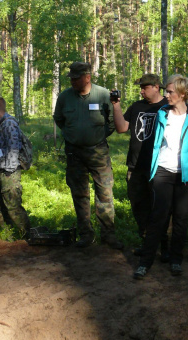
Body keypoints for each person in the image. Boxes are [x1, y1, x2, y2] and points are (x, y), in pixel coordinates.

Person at [133, 74, 188, 279]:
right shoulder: (162, 114)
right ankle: (145, 263)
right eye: (166, 91)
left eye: (170, 92)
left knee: (181, 219)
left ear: (183, 94)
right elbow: (157, 142)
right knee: (158, 217)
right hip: (163, 171)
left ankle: (176, 260)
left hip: (187, 177)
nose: (166, 95)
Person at [53, 62, 123, 249]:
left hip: (98, 151)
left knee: (105, 193)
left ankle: (108, 235)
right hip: (74, 152)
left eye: (76, 78)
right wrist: (73, 134)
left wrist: (98, 136)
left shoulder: (102, 95)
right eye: (71, 79)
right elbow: (59, 119)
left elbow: (111, 121)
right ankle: (86, 235)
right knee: (79, 193)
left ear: (87, 77)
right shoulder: (65, 97)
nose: (73, 82)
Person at [113, 74, 170, 259]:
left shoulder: (168, 106)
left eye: (144, 87)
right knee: (139, 206)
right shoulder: (137, 106)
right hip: (136, 166)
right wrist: (116, 105)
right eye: (141, 88)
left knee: (161, 207)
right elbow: (122, 128)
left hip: (159, 167)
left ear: (156, 87)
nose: (141, 91)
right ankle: (147, 244)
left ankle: (165, 247)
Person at [0, 97, 31, 237]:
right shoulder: (2, 124)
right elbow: (4, 149)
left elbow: (13, 149)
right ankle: (9, 238)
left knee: (12, 207)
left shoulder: (9, 124)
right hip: (1, 171)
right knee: (1, 207)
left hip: (8, 173)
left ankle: (29, 236)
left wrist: (8, 172)